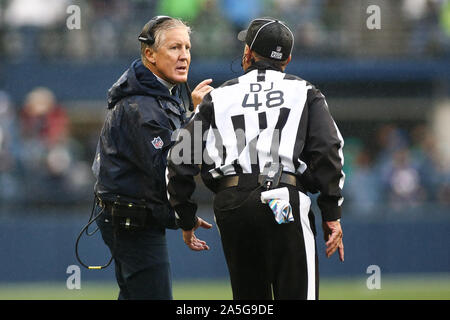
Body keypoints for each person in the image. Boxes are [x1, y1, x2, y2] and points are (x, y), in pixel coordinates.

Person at [166, 17, 345, 300]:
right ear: (287, 60)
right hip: (282, 198)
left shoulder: (217, 96)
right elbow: (328, 149)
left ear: (247, 53)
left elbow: (180, 156)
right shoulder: (305, 91)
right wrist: (331, 211)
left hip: (232, 203)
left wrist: (185, 217)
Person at [91, 16, 213, 300]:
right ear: (150, 54)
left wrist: (191, 115)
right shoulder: (142, 106)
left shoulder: (152, 96)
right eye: (174, 48)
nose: (184, 55)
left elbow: (173, 150)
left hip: (133, 218)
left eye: (187, 47)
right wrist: (197, 117)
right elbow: (171, 165)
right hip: (133, 222)